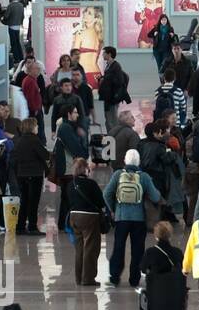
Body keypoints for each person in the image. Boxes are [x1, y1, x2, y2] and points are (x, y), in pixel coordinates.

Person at [104, 149, 162, 288]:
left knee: (118, 247)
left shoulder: (118, 174)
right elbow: (155, 196)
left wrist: (113, 209)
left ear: (125, 161)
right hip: (139, 219)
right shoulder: (144, 177)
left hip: (121, 217)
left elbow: (106, 194)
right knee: (137, 249)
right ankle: (134, 279)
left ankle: (114, 278)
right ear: (139, 162)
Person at [67, 157, 107, 286]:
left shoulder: (70, 184)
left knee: (79, 249)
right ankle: (88, 279)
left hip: (74, 217)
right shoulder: (91, 184)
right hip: (89, 217)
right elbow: (101, 202)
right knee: (90, 248)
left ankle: (78, 278)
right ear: (85, 169)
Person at [52, 105, 90, 233]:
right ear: (68, 114)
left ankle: (64, 223)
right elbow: (75, 147)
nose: (77, 115)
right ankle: (66, 223)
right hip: (68, 168)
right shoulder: (66, 128)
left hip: (67, 167)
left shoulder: (66, 127)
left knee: (66, 196)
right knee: (68, 197)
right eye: (75, 112)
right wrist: (84, 154)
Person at [12, 118, 50, 235]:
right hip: (34, 174)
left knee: (24, 201)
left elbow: (14, 157)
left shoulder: (19, 140)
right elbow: (45, 155)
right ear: (32, 127)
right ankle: (32, 226)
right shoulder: (34, 140)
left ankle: (20, 226)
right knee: (33, 202)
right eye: (36, 125)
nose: (38, 127)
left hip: (21, 174)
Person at [97, 47, 129, 132]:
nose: (103, 55)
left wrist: (106, 79)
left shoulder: (116, 66)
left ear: (109, 54)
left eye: (104, 53)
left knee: (112, 119)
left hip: (112, 97)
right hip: (107, 96)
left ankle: (115, 137)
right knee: (108, 118)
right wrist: (103, 78)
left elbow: (119, 81)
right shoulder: (108, 65)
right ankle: (110, 136)